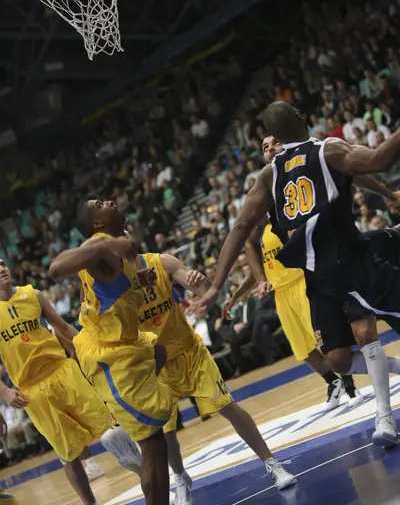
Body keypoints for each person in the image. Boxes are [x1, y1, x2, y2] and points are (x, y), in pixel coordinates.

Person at [198, 101, 400, 448]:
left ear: (278, 137)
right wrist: (221, 285)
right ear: (300, 118)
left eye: (269, 143)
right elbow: (245, 231)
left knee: (365, 330)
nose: (268, 149)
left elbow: (362, 168)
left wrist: (218, 284)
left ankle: (384, 416)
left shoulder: (311, 157)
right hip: (318, 276)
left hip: (345, 259)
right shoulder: (278, 172)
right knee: (336, 358)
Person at [103, 250, 296, 504]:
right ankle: (181, 478)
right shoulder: (112, 286)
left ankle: (272, 462)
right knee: (167, 433)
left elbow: (202, 288)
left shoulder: (161, 263)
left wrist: (198, 282)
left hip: (189, 352)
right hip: (155, 362)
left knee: (227, 406)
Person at [50, 200, 172, 505]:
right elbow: (55, 269)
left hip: (119, 342)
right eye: (100, 205)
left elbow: (97, 290)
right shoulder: (100, 245)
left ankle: (123, 428)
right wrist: (106, 245)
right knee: (155, 443)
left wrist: (136, 281)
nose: (110, 202)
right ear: (96, 224)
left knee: (159, 352)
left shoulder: (114, 247)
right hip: (111, 355)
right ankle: (131, 432)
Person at [0, 259, 113, 505]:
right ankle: (90, 503)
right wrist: (5, 390)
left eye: (1, 263)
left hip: (62, 369)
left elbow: (61, 326)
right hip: (32, 389)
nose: (1, 268)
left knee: (110, 427)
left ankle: (145, 470)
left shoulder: (34, 294)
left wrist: (92, 347)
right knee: (68, 453)